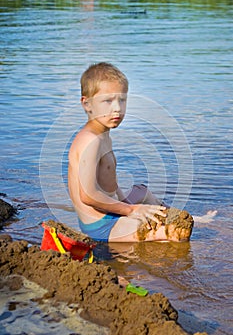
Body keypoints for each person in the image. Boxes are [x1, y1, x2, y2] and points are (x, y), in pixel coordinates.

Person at [68, 62, 190, 243]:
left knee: (142, 192)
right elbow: (88, 195)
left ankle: (172, 216)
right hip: (102, 226)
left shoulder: (103, 134)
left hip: (112, 210)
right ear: (87, 104)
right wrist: (132, 210)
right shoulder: (90, 141)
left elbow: (109, 181)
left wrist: (126, 203)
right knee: (178, 234)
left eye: (122, 100)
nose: (117, 108)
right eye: (108, 101)